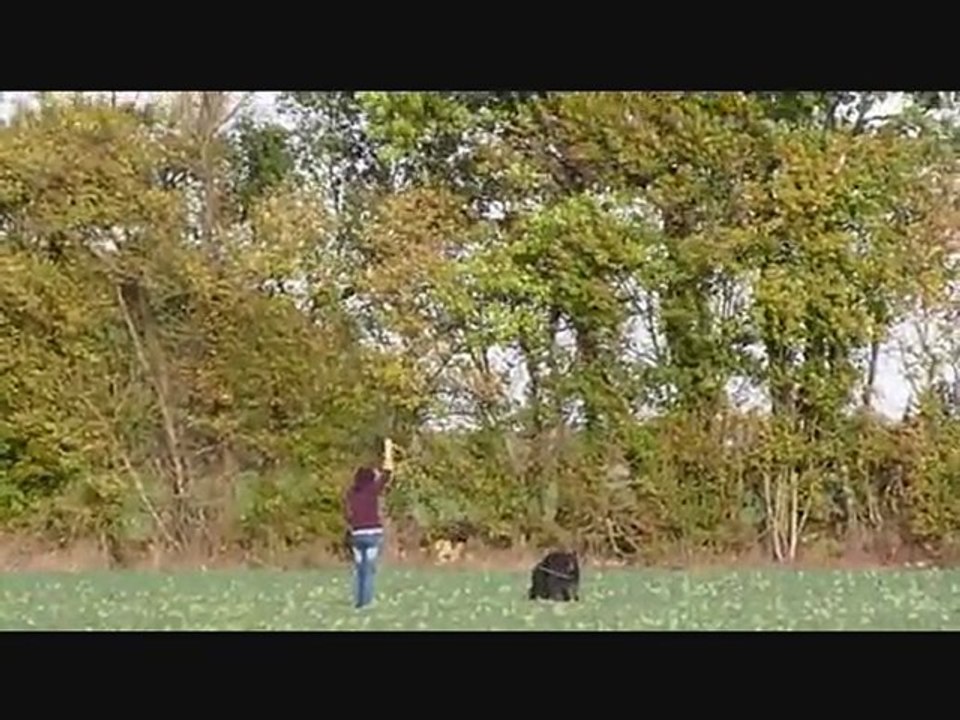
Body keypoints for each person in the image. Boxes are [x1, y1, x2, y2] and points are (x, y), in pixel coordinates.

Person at [344, 437, 394, 609]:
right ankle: (367, 602)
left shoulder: (351, 493)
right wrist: (388, 449)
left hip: (356, 535)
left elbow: (348, 514)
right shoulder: (372, 490)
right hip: (372, 534)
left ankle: (359, 601)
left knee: (359, 570)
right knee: (370, 570)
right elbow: (388, 472)